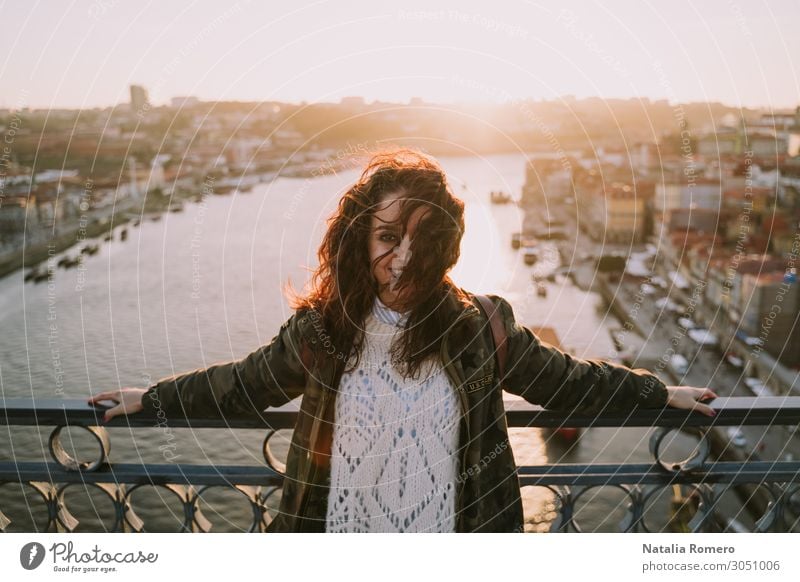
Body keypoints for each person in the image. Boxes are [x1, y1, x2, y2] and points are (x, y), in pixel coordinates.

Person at [87, 148, 717, 533]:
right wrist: (154, 399)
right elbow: (242, 385)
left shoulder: (482, 326)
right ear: (362, 236)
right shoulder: (320, 333)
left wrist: (659, 397)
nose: (403, 258)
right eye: (389, 236)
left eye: (424, 240)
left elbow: (569, 381)